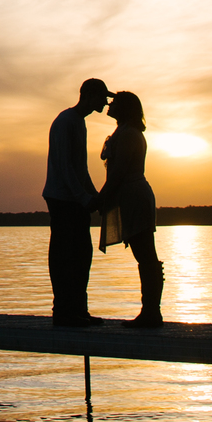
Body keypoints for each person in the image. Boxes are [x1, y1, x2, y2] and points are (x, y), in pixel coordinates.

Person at [42, 77, 111, 326]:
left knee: (82, 254)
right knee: (65, 255)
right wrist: (84, 198)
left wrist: (93, 196)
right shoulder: (65, 122)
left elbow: (80, 169)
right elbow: (65, 166)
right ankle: (63, 311)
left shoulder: (79, 123)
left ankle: (79, 309)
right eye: (103, 97)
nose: (105, 102)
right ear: (90, 96)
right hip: (62, 199)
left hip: (74, 199)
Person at [94, 91, 164, 327]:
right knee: (144, 256)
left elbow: (119, 171)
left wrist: (101, 198)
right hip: (130, 196)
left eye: (114, 102)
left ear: (124, 108)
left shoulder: (129, 135)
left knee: (146, 256)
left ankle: (152, 312)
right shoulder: (124, 131)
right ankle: (151, 311)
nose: (109, 104)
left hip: (134, 196)